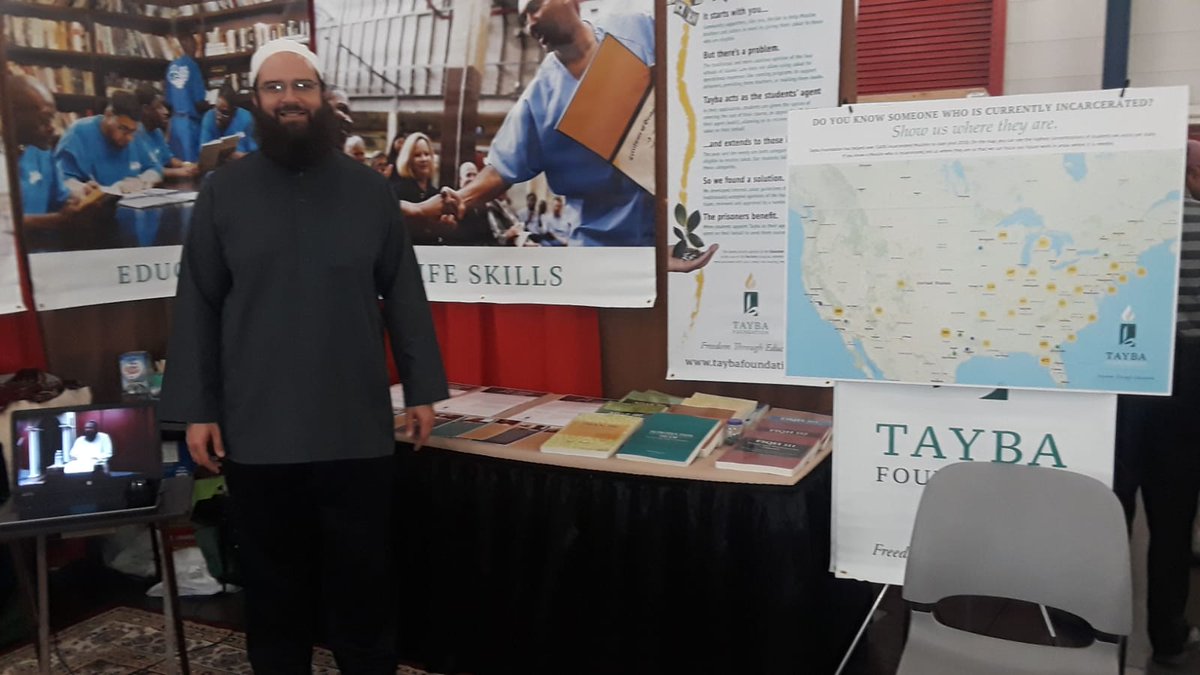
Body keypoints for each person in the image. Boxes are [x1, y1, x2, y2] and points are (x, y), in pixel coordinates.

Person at [159, 39, 447, 674]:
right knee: (273, 591)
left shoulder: (369, 191)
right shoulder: (223, 192)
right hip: (259, 429)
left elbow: (403, 291)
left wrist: (423, 388)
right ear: (256, 101)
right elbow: (199, 302)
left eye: (302, 86)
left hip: (354, 425)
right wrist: (198, 409)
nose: (289, 98)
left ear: (322, 96)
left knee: (363, 585)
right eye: (275, 87)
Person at [439, 0, 653, 247]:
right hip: (601, 249)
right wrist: (460, 199)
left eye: (535, 7)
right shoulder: (540, 98)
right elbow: (500, 169)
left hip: (674, 233)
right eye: (524, 18)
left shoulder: (638, 30)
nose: (530, 24)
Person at [1114, 138, 1200, 669]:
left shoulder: (1117, 226)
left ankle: (1091, 625)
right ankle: (1167, 635)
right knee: (1173, 519)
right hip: (1188, 383)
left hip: (1118, 375)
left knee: (1108, 509)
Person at [6, 74, 106, 230]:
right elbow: (4, 223)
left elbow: (60, 198)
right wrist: (56, 220)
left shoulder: (42, 152)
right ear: (11, 114)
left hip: (46, 244)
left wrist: (81, 196)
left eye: (53, 118)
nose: (53, 128)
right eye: (44, 119)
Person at [55, 90, 163, 192]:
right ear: (108, 115)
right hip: (96, 202)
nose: (130, 138)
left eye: (133, 131)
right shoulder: (78, 133)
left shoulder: (136, 134)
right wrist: (84, 188)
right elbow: (61, 180)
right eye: (123, 129)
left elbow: (156, 168)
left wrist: (142, 181)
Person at [134, 83, 198, 180]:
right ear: (146, 109)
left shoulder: (157, 131)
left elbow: (169, 159)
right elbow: (148, 170)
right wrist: (179, 172)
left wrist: (187, 165)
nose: (166, 111)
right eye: (159, 107)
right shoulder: (135, 135)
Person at [164, 32, 207, 163]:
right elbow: (199, 100)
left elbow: (168, 101)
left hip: (175, 124)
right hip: (190, 123)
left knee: (179, 163)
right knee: (192, 165)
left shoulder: (171, 67)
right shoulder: (193, 66)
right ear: (190, 45)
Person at [199, 80, 258, 158]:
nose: (219, 116)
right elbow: (204, 152)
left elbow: (255, 153)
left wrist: (238, 156)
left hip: (242, 161)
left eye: (224, 112)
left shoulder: (246, 118)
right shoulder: (209, 117)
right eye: (216, 109)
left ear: (234, 111)